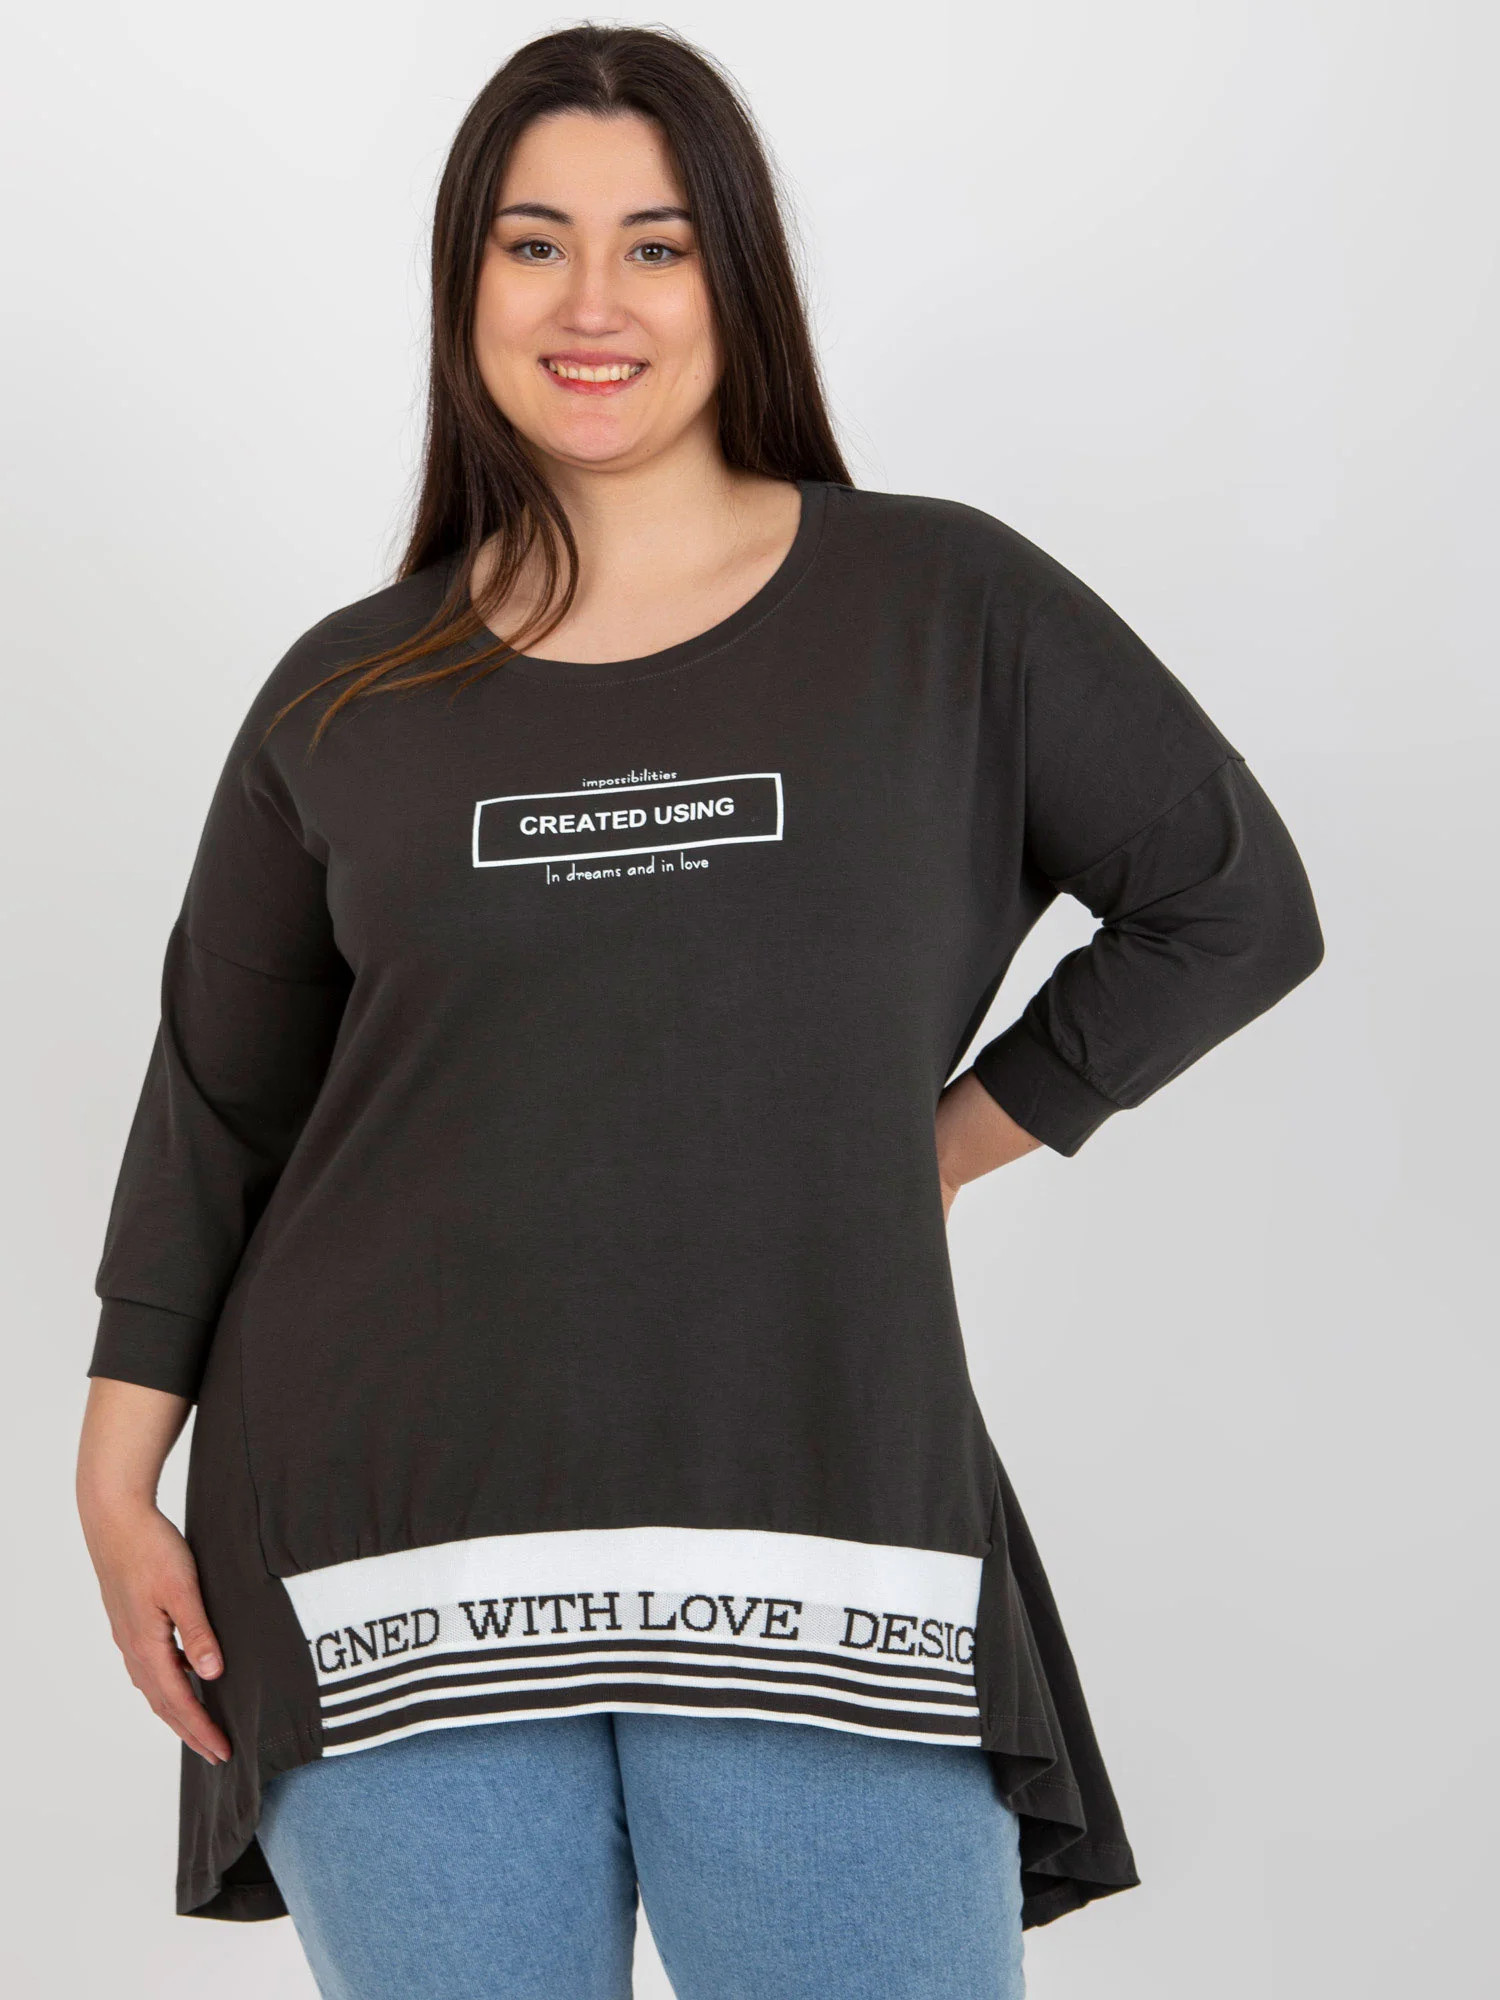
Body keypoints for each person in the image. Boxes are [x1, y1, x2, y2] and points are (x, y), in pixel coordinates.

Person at [75, 23, 1324, 2000]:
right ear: (464, 285)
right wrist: (112, 1477)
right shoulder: (343, 695)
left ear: (735, 278)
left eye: (655, 246)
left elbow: (1230, 905)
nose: (593, 302)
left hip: (816, 1519)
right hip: (383, 1544)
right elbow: (222, 1107)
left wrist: (934, 1147)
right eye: (534, 244)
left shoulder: (946, 609)